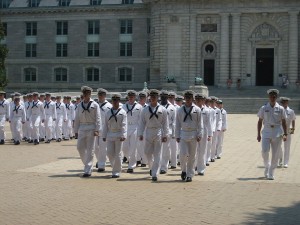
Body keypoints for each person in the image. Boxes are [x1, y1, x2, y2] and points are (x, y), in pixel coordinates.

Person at [138, 89, 169, 182]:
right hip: (148, 131)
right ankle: (151, 167)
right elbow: (142, 123)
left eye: (155, 96)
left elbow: (165, 123)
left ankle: (155, 173)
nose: (153, 98)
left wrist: (165, 134)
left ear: (157, 97)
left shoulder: (162, 109)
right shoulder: (145, 109)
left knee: (157, 153)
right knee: (147, 153)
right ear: (149, 97)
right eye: (152, 96)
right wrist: (140, 133)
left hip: (158, 131)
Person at [257, 89, 287, 180]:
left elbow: (284, 122)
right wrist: (258, 134)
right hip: (266, 130)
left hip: (277, 131)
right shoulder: (264, 107)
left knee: (275, 154)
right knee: (264, 151)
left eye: (274, 96)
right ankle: (267, 166)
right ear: (268, 97)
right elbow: (259, 121)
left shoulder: (281, 108)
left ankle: (271, 172)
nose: (272, 98)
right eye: (271, 96)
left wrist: (285, 134)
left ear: (276, 97)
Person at [175, 90, 203, 182]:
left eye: (189, 98)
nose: (187, 99)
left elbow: (200, 123)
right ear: (184, 98)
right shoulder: (180, 110)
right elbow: (178, 124)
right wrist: (177, 135)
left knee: (192, 156)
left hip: (193, 134)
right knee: (183, 155)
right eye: (186, 98)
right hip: (183, 134)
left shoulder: (197, 109)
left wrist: (200, 134)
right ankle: (183, 170)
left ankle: (190, 174)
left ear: (192, 99)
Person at [74, 86, 101, 177]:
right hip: (82, 127)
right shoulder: (79, 105)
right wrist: (75, 130)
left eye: (88, 93)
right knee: (79, 147)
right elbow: (77, 118)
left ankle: (88, 170)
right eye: (85, 93)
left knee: (90, 149)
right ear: (83, 94)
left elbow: (98, 118)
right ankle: (87, 164)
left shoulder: (95, 105)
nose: (86, 95)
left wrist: (97, 130)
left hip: (91, 127)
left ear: (90, 94)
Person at [102, 93, 127, 178]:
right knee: (109, 153)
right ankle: (116, 167)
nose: (115, 102)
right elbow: (105, 124)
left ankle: (116, 171)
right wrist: (104, 135)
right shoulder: (108, 112)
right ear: (112, 101)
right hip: (110, 134)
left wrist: (123, 134)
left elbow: (124, 124)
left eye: (116, 100)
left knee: (118, 153)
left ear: (119, 101)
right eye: (114, 100)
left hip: (119, 134)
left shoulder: (123, 112)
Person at [122, 90, 142, 173]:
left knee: (133, 147)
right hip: (126, 127)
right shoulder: (124, 106)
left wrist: (140, 131)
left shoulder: (139, 106)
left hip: (135, 127)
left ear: (135, 97)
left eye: (132, 96)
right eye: (129, 96)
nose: (131, 97)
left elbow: (141, 120)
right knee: (124, 147)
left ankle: (131, 165)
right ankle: (131, 159)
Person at [194, 93, 212, 176]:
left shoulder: (207, 110)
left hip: (204, 132)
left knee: (202, 150)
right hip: (194, 131)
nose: (198, 101)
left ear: (203, 100)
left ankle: (201, 168)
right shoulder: (193, 109)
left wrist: (209, 134)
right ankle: (194, 166)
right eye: (197, 99)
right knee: (194, 150)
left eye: (200, 100)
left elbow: (209, 123)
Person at [95, 88, 112, 172]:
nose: (100, 96)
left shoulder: (109, 106)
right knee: (95, 148)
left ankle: (101, 164)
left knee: (102, 147)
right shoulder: (95, 105)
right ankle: (99, 160)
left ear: (105, 96)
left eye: (102, 95)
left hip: (105, 128)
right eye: (99, 95)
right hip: (95, 129)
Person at [159, 90, 176, 174]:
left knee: (166, 149)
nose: (163, 98)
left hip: (167, 130)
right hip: (157, 130)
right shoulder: (157, 106)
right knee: (157, 150)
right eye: (162, 96)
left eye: (165, 96)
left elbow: (174, 122)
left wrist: (173, 133)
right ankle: (157, 165)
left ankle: (164, 167)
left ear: (167, 97)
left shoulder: (172, 107)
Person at [278, 97, 296, 168]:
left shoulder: (291, 111)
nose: (284, 104)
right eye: (283, 102)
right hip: (279, 130)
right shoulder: (278, 110)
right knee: (278, 146)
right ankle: (280, 158)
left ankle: (286, 162)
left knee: (287, 147)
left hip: (288, 130)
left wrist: (292, 129)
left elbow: (293, 120)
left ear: (287, 103)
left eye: (285, 102)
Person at [136, 91, 148, 167]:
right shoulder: (135, 106)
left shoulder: (148, 107)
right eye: (140, 97)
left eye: (143, 97)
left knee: (144, 145)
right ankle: (137, 159)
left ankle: (144, 160)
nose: (141, 99)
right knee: (137, 144)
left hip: (145, 128)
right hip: (136, 127)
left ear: (146, 98)